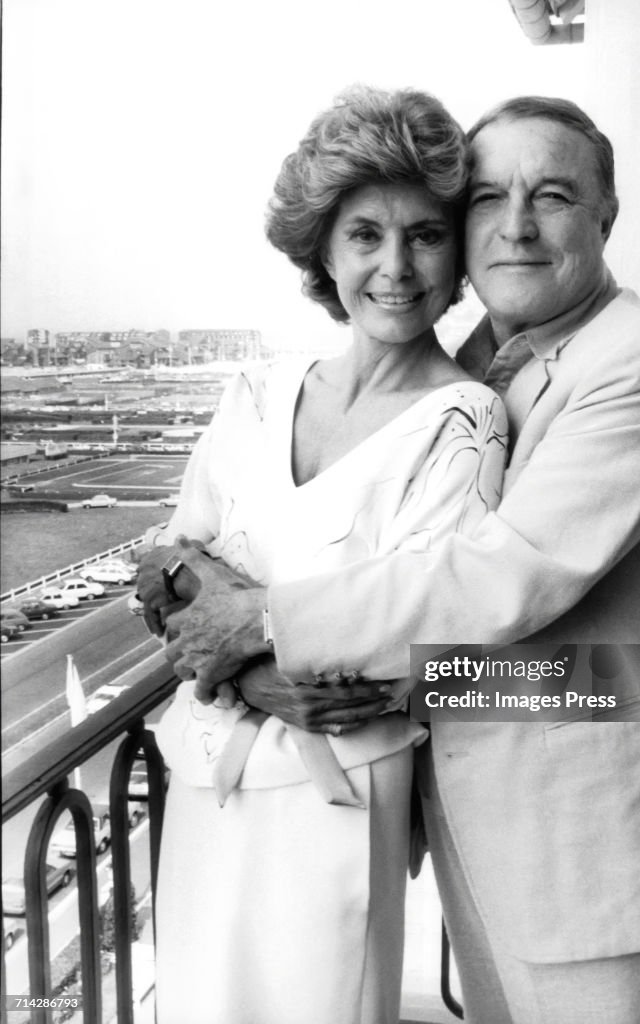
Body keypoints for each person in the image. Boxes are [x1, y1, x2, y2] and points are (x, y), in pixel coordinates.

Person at [159, 97, 640, 1023]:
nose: (516, 225)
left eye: (552, 195)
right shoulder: (476, 358)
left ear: (606, 217)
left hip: (585, 823)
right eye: (490, 198)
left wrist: (262, 623)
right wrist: (207, 606)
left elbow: (503, 573)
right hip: (466, 808)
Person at [136, 86, 507, 1024]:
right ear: (322, 251)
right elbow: (169, 567)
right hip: (205, 782)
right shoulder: (257, 392)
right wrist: (248, 662)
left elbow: (400, 649)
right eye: (365, 236)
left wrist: (230, 633)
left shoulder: (464, 421)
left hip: (337, 802)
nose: (395, 267)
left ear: (457, 251)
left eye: (425, 235)